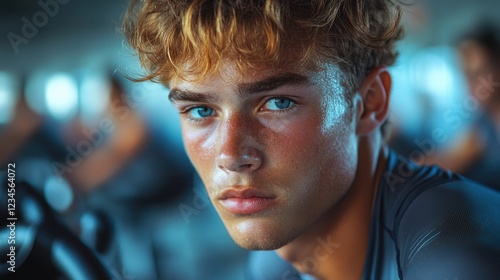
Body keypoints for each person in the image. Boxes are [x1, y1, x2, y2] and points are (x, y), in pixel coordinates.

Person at [123, 1, 500, 279]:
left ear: (369, 103)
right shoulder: (275, 259)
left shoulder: (453, 257)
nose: (231, 156)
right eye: (201, 111)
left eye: (277, 102)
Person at [422, 23, 500, 190]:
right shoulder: (482, 126)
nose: (471, 85)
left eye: (478, 73)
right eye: (465, 76)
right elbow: (447, 159)